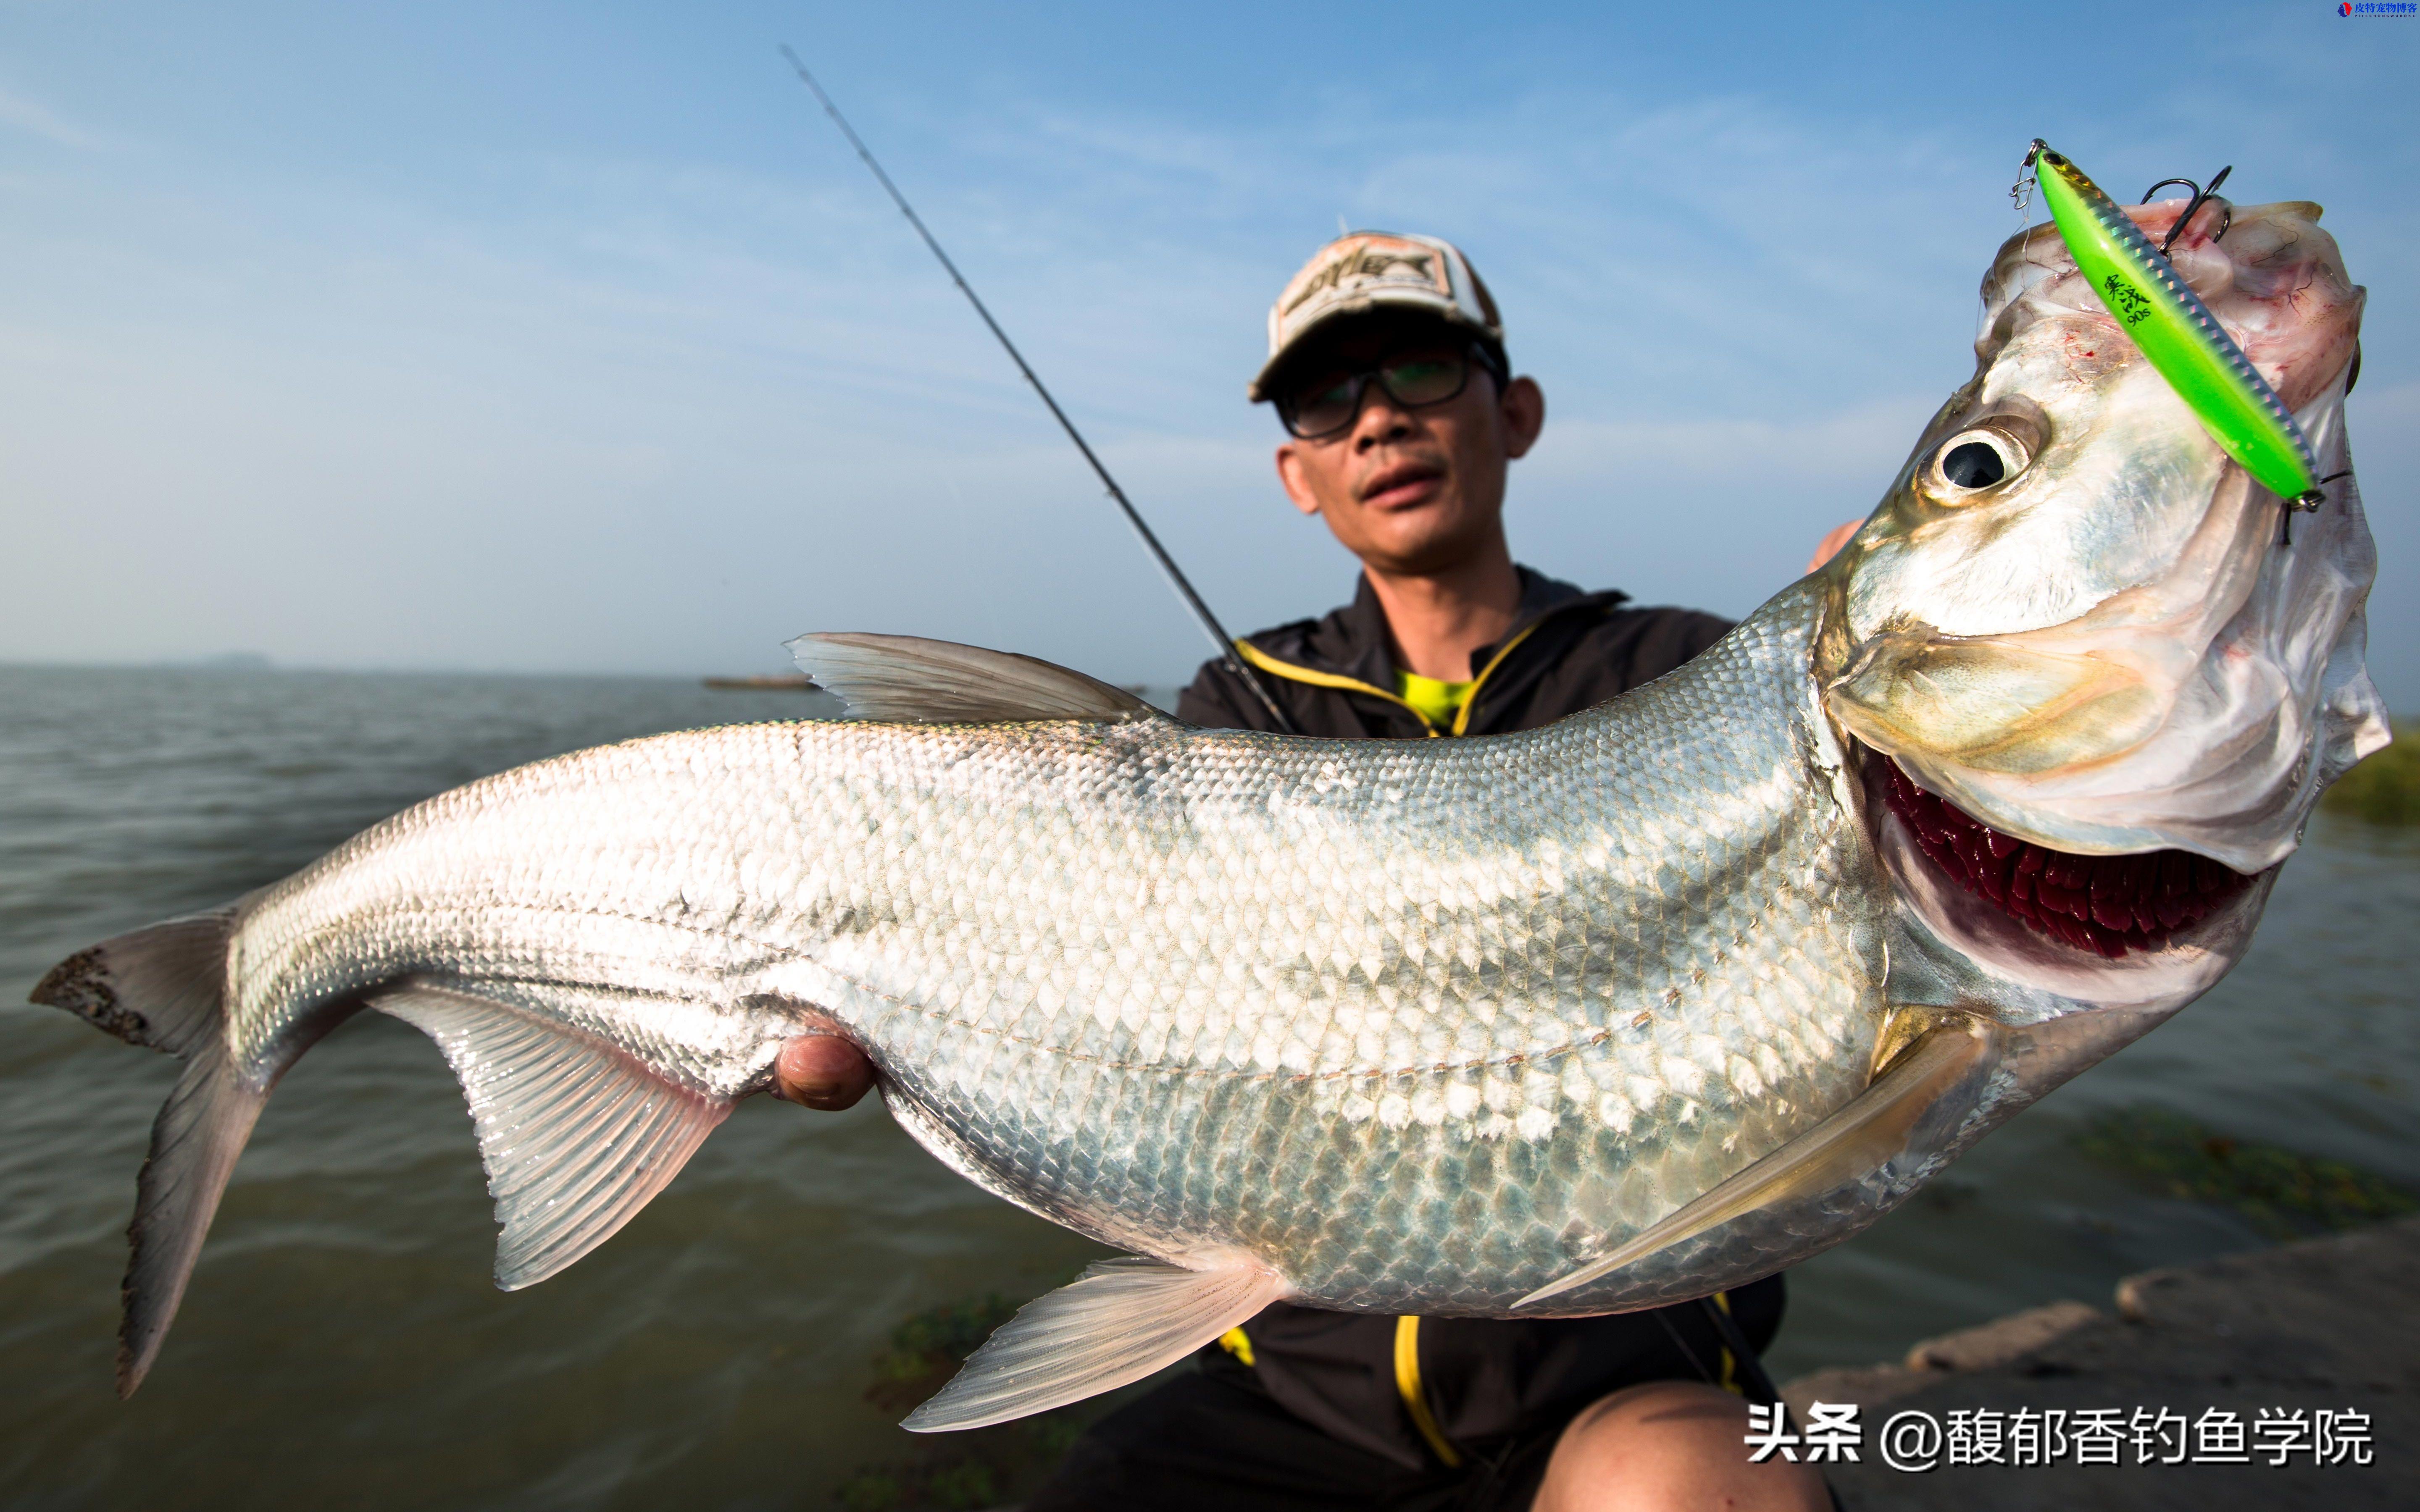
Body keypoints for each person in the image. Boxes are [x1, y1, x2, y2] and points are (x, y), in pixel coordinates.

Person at [772, 232, 1831, 1511]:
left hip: (1624, 1387)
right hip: (1282, 1390)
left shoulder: (1695, 679)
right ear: (1296, 472)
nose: (1380, 418)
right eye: (1327, 399)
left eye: (1425, 369)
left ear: (1519, 412)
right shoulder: (1236, 711)